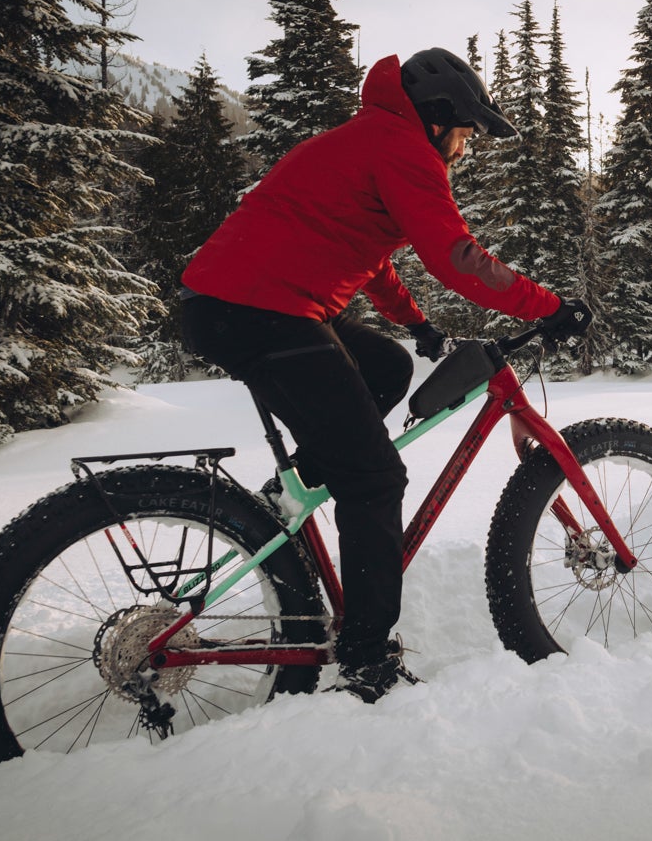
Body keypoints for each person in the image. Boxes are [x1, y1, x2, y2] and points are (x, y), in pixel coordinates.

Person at [178, 47, 594, 702]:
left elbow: (371, 254)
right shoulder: (403, 146)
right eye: (463, 134)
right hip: (260, 306)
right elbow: (457, 254)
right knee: (375, 479)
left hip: (248, 301)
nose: (462, 150)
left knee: (386, 365)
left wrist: (418, 324)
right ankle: (365, 659)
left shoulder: (373, 138)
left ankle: (299, 494)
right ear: (436, 118)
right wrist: (547, 304)